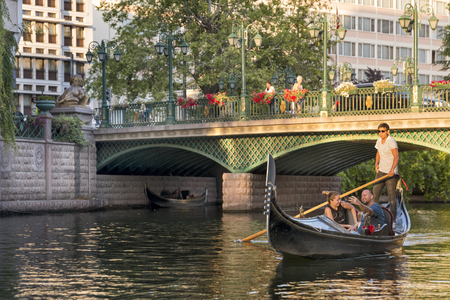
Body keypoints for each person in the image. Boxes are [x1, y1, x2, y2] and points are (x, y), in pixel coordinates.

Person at [373, 123, 399, 220]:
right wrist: (376, 164)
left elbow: (396, 157)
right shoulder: (379, 141)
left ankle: (393, 219)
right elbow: (378, 153)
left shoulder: (391, 141)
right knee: (375, 195)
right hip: (381, 172)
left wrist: (392, 170)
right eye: (379, 131)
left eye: (383, 131)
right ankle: (374, 216)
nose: (381, 133)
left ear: (387, 131)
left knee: (391, 198)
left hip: (391, 173)